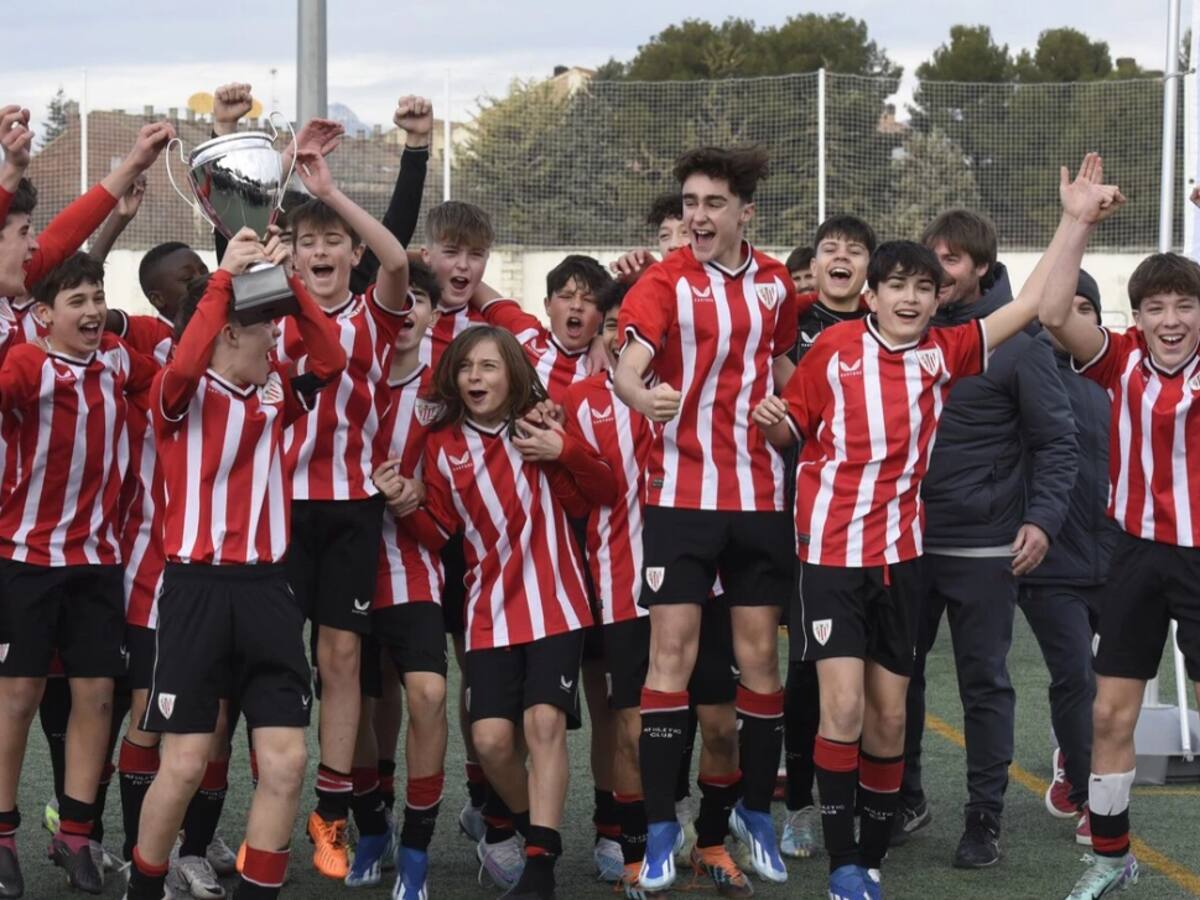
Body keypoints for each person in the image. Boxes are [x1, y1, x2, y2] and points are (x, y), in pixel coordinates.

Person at [751, 154, 1123, 899]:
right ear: (872, 295)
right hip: (830, 559)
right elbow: (794, 430)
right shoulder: (833, 350)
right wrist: (774, 425)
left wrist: (1074, 220)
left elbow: (1034, 305)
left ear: (939, 297)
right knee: (844, 707)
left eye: (925, 287)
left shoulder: (946, 353)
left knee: (890, 719)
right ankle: (845, 862)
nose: (913, 297)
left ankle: (874, 850)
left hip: (903, 559)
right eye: (898, 286)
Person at [124, 227, 346, 900]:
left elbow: (331, 360)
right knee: (186, 762)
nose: (276, 339)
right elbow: (188, 359)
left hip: (268, 592)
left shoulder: (276, 394)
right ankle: (144, 888)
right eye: (263, 328)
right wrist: (225, 277)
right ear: (226, 332)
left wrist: (290, 283)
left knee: (287, 761)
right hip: (195, 591)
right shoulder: (178, 395)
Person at [615, 144, 796, 890]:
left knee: (759, 662)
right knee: (671, 658)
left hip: (758, 497)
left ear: (744, 213)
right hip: (681, 498)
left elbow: (784, 375)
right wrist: (643, 397)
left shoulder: (777, 284)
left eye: (713, 203)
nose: (697, 215)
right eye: (689, 202)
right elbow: (627, 368)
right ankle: (663, 830)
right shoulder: (664, 282)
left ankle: (755, 814)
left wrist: (797, 421)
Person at [384, 326, 609, 899]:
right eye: (466, 368)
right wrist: (406, 504)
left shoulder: (541, 424)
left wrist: (564, 450)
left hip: (557, 602)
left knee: (543, 724)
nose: (475, 377)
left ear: (512, 372)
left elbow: (599, 491)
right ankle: (539, 832)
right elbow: (439, 533)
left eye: (488, 366)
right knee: (489, 742)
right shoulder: (443, 446)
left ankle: (540, 866)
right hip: (488, 611)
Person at [895, 206, 1079, 869]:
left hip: (983, 547)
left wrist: (1042, 520)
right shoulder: (896, 333)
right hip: (902, 542)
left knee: (984, 684)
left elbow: (1058, 443)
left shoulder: (1019, 342)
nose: (938, 271)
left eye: (951, 259)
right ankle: (903, 797)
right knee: (897, 679)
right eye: (932, 256)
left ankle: (984, 817)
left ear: (981, 268)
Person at [1042, 160, 1200, 900]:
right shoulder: (1121, 359)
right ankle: (1110, 858)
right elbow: (1052, 313)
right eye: (1156, 307)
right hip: (1134, 555)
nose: (1171, 320)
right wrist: (1077, 220)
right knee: (1110, 714)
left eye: (1186, 306)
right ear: (1137, 317)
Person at [564, 281, 752, 898]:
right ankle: (637, 853)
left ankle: (712, 843)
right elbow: (574, 495)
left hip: (703, 583)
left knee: (721, 724)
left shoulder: (702, 387)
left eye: (639, 327)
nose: (626, 338)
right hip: (624, 585)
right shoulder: (579, 400)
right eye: (615, 326)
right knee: (632, 729)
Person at [269, 123, 413, 881]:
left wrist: (328, 192)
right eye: (308, 241)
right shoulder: (268, 309)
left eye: (333, 241)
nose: (321, 251)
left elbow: (398, 259)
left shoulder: (373, 316)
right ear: (291, 255)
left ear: (352, 254)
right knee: (272, 663)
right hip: (276, 511)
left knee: (343, 657)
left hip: (352, 509)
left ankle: (331, 811)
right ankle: (262, 811)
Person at [0, 251, 160, 895]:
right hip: (26, 558)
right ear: (43, 315)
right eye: (77, 301)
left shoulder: (118, 359)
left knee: (96, 697)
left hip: (99, 562)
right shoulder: (25, 364)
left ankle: (75, 836)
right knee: (19, 696)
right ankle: (2, 837)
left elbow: (171, 380)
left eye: (98, 297)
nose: (94, 311)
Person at [781, 215, 875, 862]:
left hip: (877, 527)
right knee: (805, 669)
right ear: (813, 264)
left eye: (855, 250)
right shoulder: (786, 321)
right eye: (830, 249)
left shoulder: (889, 323)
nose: (841, 258)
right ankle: (798, 805)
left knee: (883, 677)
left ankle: (876, 799)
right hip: (803, 521)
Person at [1018, 270, 1116, 849]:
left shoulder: (1121, 376)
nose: (1071, 319)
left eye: (1086, 309)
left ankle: (1073, 757)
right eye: (1062, 307)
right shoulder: (1021, 373)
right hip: (1052, 564)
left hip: (1123, 558)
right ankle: (1089, 795)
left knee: (1114, 685)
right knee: (1075, 675)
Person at [366, 262, 447, 898]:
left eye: (418, 299)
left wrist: (418, 497)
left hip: (413, 564)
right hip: (343, 567)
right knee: (359, 700)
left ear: (433, 315)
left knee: (427, 694)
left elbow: (453, 507)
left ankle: (416, 850)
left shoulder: (448, 390)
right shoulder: (347, 375)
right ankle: (372, 824)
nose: (407, 311)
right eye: (399, 298)